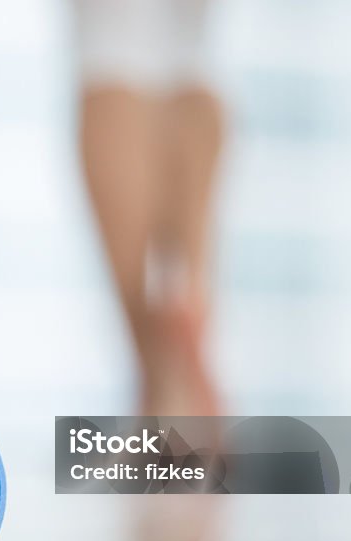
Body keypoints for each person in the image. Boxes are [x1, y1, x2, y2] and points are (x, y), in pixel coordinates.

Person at [74, 0, 224, 416]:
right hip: (194, 98)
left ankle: (164, 387)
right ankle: (182, 304)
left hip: (115, 86)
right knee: (189, 54)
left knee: (110, 43)